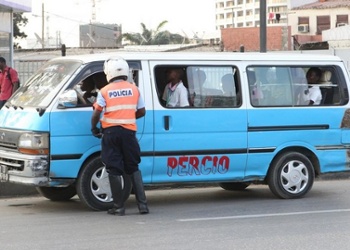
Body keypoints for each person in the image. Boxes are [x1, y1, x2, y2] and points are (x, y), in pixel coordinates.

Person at [91, 56, 149, 216]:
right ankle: (143, 206)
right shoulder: (134, 89)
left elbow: (96, 113)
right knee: (133, 167)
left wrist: (93, 128)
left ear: (109, 73)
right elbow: (142, 111)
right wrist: (129, 117)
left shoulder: (104, 91)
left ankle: (118, 207)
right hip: (129, 133)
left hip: (111, 133)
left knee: (114, 169)